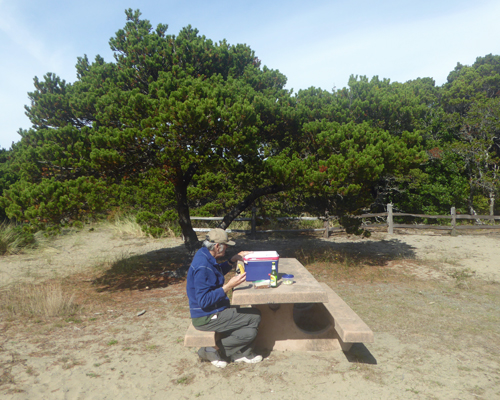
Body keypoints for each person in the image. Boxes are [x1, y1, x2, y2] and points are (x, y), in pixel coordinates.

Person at [186, 228, 262, 368]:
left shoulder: (204, 255)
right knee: (254, 317)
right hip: (206, 316)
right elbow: (203, 301)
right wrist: (227, 287)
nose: (226, 248)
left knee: (250, 329)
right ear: (217, 246)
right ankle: (212, 349)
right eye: (225, 245)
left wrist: (231, 260)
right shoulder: (203, 267)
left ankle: (238, 353)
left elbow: (216, 272)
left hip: (212, 310)